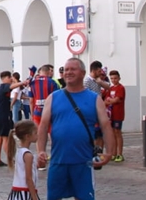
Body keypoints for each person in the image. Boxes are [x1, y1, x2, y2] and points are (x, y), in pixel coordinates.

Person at [36, 58, 115, 200]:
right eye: (66, 69)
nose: (68, 72)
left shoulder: (94, 99)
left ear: (83, 73)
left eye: (73, 69)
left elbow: (106, 126)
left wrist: (109, 153)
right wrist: (40, 150)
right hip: (58, 161)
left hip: (83, 163)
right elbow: (43, 126)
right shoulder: (53, 98)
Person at [5, 120, 40, 200]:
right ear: (27, 136)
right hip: (25, 193)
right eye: (35, 133)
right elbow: (28, 178)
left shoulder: (19, 151)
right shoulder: (28, 155)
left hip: (17, 192)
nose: (37, 135)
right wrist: (34, 196)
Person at [0, 71, 14, 167]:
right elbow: (11, 87)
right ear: (6, 78)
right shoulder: (5, 86)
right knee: (5, 138)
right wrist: (23, 82)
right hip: (2, 116)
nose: (11, 80)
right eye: (10, 77)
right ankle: (10, 159)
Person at [103, 70, 125, 163]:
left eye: (115, 78)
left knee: (118, 133)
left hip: (118, 114)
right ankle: (114, 153)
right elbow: (105, 101)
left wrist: (111, 100)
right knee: (112, 133)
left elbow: (117, 99)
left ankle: (120, 153)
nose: (113, 80)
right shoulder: (110, 88)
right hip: (111, 115)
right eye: (112, 78)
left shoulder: (121, 88)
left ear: (119, 78)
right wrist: (110, 100)